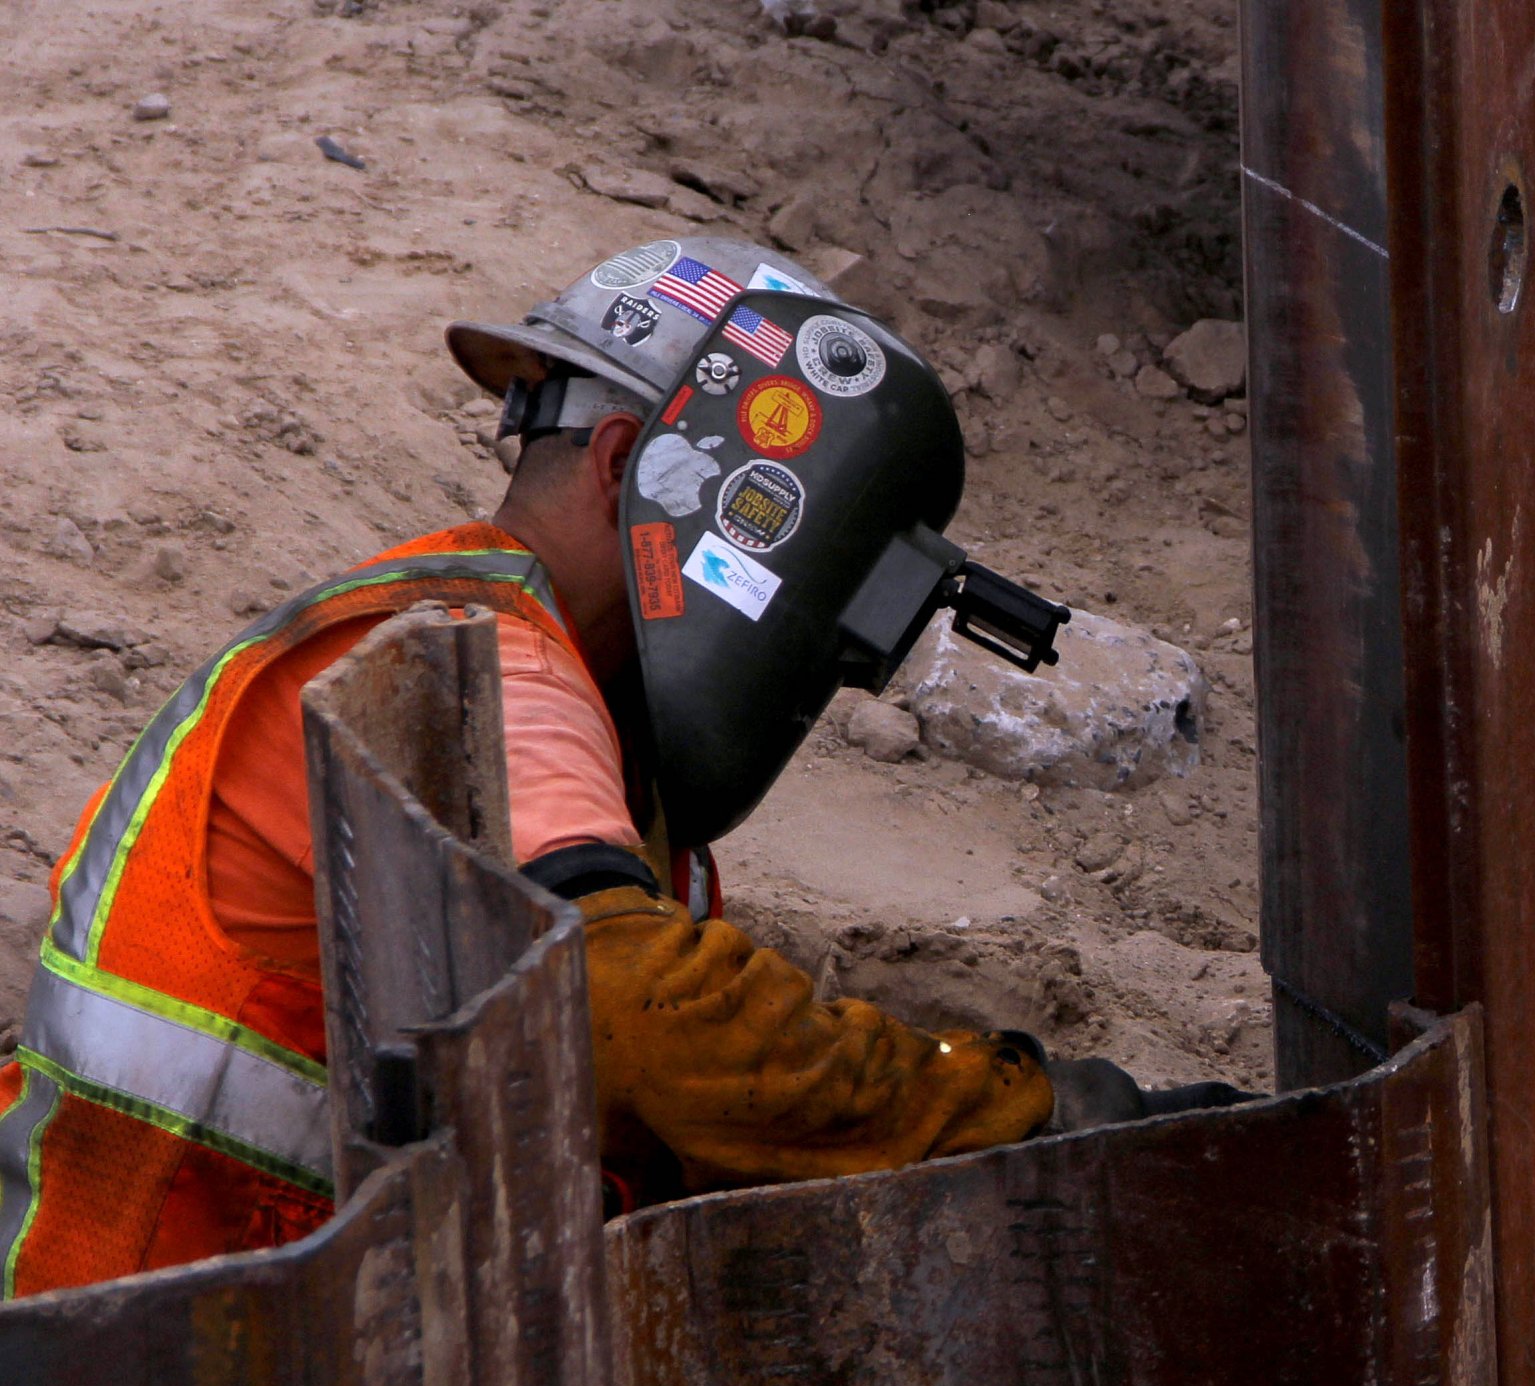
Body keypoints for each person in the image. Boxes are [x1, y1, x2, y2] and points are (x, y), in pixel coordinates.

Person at [0, 239, 1236, 1300]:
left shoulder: (527, 698)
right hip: (137, 1339)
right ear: (625, 467)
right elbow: (643, 1019)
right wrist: (1016, 1117)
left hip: (221, 1326)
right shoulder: (483, 667)